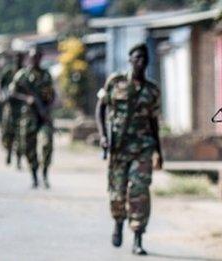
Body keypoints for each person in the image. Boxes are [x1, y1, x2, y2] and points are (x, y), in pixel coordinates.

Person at [95, 43, 163, 255]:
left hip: (142, 148)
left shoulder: (152, 91)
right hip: (119, 148)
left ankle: (138, 237)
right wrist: (103, 136)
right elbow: (101, 108)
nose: (140, 62)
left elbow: (154, 122)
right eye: (137, 58)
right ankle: (118, 222)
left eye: (144, 58)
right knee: (117, 193)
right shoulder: (115, 82)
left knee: (139, 192)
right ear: (130, 60)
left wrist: (159, 152)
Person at [10, 48, 55, 189]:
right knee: (29, 148)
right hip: (28, 116)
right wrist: (26, 98)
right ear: (29, 58)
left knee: (47, 144)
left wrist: (46, 108)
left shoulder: (46, 75)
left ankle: (45, 174)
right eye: (33, 57)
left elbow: (52, 95)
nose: (35, 59)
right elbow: (12, 92)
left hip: (43, 116)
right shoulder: (22, 75)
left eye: (38, 57)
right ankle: (34, 176)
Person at [0, 52, 25, 168]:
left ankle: (18, 158)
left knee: (20, 134)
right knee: (7, 132)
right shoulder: (8, 70)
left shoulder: (24, 72)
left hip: (21, 108)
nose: (18, 60)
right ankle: (8, 151)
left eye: (20, 58)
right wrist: (1, 96)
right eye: (17, 57)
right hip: (9, 107)